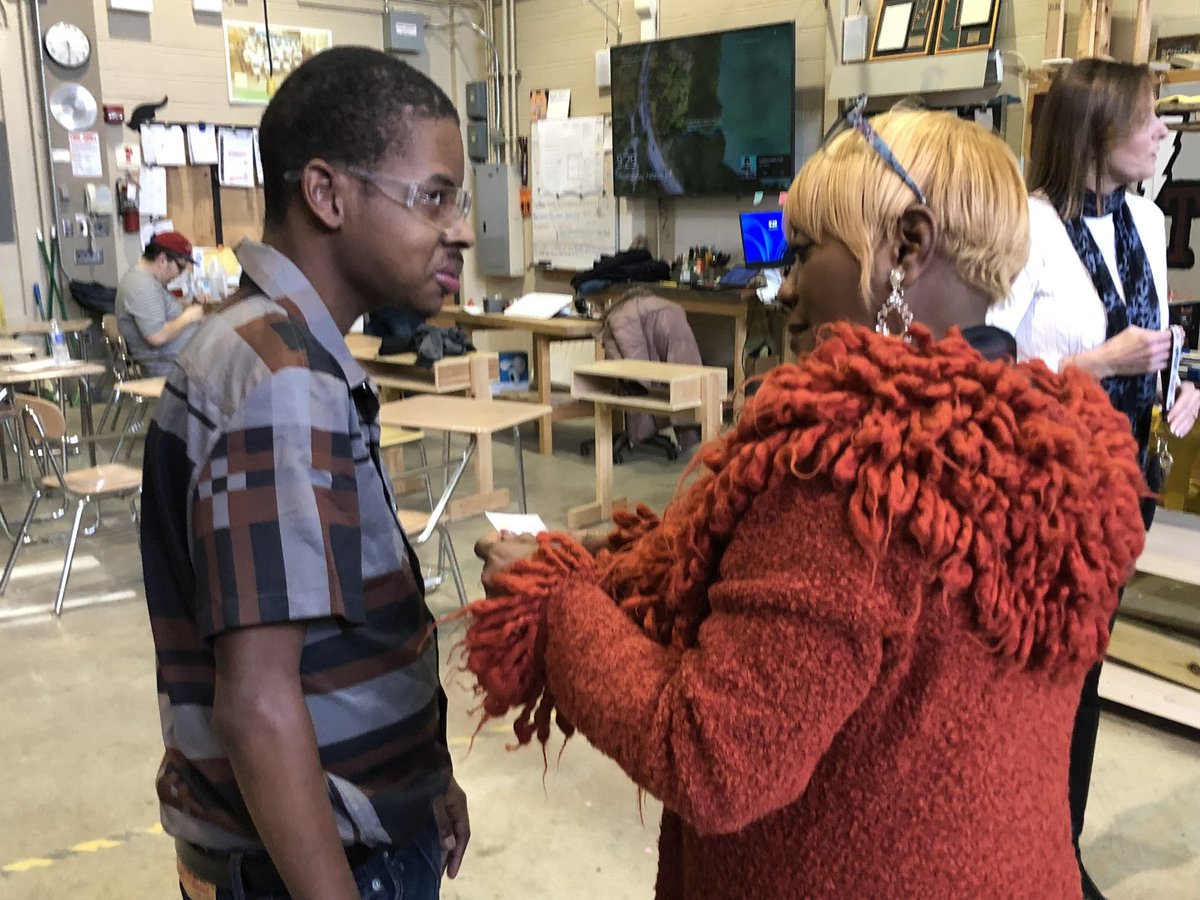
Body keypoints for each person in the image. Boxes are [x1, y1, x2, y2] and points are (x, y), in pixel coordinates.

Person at [465, 107, 1147, 898]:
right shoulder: (1062, 448)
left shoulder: (852, 470)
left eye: (806, 251)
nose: (786, 287)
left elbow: (714, 758)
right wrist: (610, 571)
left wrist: (555, 602)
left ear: (908, 246)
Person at [139, 47, 474, 900]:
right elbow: (257, 708)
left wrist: (416, 782)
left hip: (360, 835)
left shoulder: (283, 350)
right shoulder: (281, 380)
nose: (462, 229)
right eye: (434, 196)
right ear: (326, 194)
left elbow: (334, 638)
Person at [987, 59, 1200, 898]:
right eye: (1149, 118)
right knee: (1046, 682)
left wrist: (1179, 382)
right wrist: (1096, 363)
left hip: (1128, 488)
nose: (1163, 132)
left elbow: (1154, 332)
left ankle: (1057, 850)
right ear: (1096, 129)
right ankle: (1036, 857)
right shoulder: (1027, 230)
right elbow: (994, 371)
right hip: (1050, 494)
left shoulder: (1146, 221)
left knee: (1088, 676)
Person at [115, 231, 204, 377]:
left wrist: (190, 307)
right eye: (180, 267)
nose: (180, 274)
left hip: (185, 361)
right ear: (162, 260)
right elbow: (157, 336)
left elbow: (163, 314)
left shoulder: (151, 282)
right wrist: (188, 318)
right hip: (172, 367)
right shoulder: (142, 286)